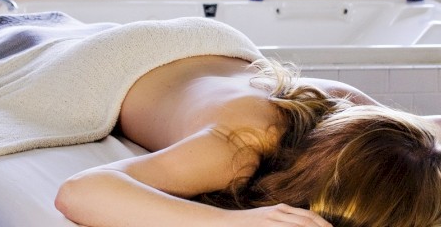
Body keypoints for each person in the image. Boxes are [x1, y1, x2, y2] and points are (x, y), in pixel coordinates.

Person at [54, 53, 441, 227]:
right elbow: (80, 191)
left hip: (208, 46)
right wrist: (233, 222)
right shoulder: (236, 148)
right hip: (116, 58)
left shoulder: (364, 119)